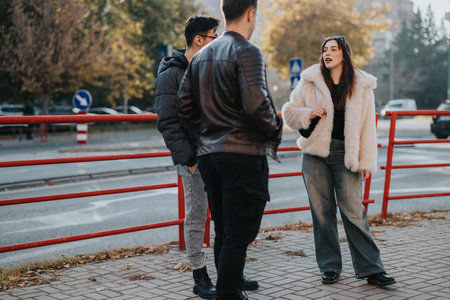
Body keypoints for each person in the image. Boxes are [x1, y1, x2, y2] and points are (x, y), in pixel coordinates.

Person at [178, 1, 283, 299]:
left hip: (211, 156)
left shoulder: (201, 56)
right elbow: (256, 106)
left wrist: (210, 129)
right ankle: (228, 293)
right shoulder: (247, 51)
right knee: (240, 233)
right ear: (251, 13)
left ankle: (231, 290)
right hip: (243, 155)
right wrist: (276, 127)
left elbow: (184, 108)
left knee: (225, 230)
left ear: (225, 14)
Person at [282, 36, 395, 286]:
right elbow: (289, 112)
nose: (328, 53)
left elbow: (367, 127)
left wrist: (366, 161)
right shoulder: (310, 80)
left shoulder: (361, 84)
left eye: (333, 49)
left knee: (354, 212)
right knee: (322, 214)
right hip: (314, 156)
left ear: (344, 53)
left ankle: (373, 269)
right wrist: (308, 112)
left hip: (347, 155)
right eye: (324, 49)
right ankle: (330, 266)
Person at [154, 15, 220, 300]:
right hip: (194, 159)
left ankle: (230, 270)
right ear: (199, 39)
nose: (218, 43)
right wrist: (190, 159)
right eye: (214, 37)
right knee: (196, 216)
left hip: (218, 154)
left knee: (225, 215)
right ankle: (199, 272)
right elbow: (167, 122)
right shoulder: (171, 74)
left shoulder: (211, 69)